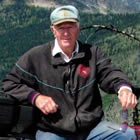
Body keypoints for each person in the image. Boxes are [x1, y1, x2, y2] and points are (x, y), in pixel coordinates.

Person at [2, 5, 138, 140]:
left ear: (78, 28)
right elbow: (10, 83)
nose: (66, 33)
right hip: (53, 130)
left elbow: (110, 73)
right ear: (53, 30)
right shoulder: (36, 56)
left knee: (128, 135)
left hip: (91, 128)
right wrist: (36, 98)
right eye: (61, 28)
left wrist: (123, 89)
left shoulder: (92, 53)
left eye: (70, 26)